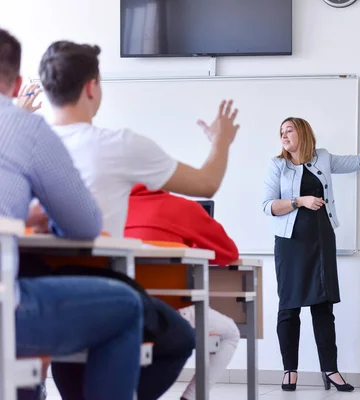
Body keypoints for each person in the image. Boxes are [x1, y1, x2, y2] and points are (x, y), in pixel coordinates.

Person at [37, 40, 240, 400]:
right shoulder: (117, 144)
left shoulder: (26, 143)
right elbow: (207, 182)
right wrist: (221, 141)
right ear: (91, 87)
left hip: (33, 293)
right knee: (176, 338)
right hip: (101, 291)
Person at [0, 28, 144, 400]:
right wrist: (37, 213)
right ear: (18, 85)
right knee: (126, 306)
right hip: (4, 311)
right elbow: (84, 224)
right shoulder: (24, 127)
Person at [262, 114, 360, 392]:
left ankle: (331, 370)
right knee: (288, 307)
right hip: (290, 243)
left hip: (321, 240)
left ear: (303, 133)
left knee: (323, 307)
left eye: (289, 131)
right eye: (281, 132)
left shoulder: (322, 158)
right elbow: (268, 206)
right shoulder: (277, 165)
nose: (284, 136)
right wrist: (299, 201)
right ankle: (290, 371)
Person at [125, 183, 241, 399]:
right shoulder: (183, 208)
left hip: (117, 308)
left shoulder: (106, 208)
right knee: (230, 333)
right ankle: (191, 397)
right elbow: (229, 252)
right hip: (169, 311)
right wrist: (190, 249)